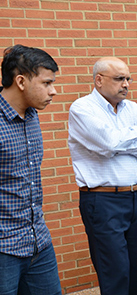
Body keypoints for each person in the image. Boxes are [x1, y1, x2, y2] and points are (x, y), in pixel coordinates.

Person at [68, 57, 137, 295]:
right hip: (101, 201)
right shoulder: (81, 108)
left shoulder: (131, 108)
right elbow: (109, 142)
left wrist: (120, 142)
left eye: (128, 78)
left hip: (132, 198)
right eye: (120, 79)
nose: (126, 84)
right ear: (99, 80)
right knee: (115, 273)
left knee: (133, 270)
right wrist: (135, 134)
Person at [0, 45, 61, 294]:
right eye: (46, 83)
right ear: (21, 81)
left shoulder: (32, 114)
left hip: (39, 242)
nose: (53, 91)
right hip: (4, 250)